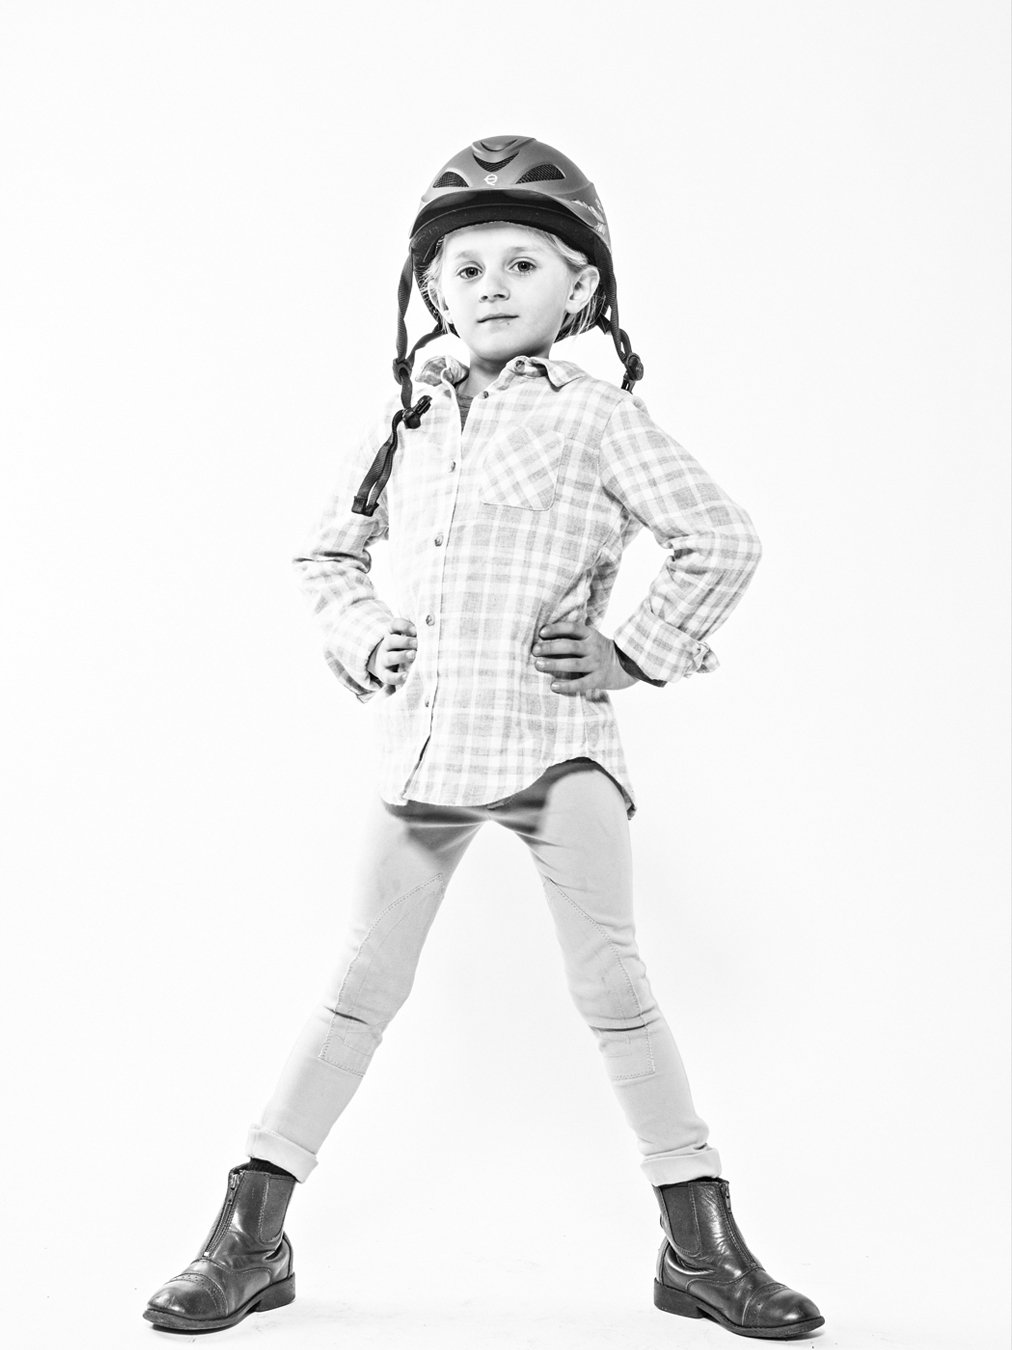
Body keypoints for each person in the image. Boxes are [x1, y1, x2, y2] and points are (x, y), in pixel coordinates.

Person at [143, 135, 824, 1340]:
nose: (493, 284)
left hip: (559, 750)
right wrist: (366, 637)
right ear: (432, 291)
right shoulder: (404, 422)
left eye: (524, 262)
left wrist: (632, 651)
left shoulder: (597, 420)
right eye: (464, 268)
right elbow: (324, 553)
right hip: (425, 758)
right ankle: (251, 1233)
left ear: (580, 291)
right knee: (358, 989)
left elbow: (723, 537)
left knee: (614, 989)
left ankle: (700, 1246)